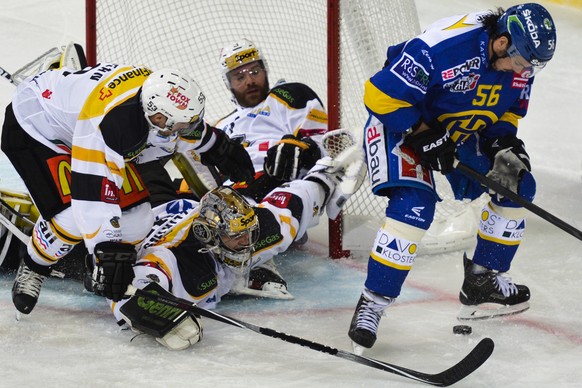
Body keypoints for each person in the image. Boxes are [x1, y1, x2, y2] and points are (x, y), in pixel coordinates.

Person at [348, 3, 556, 352]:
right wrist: (423, 132)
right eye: (521, 62)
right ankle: (373, 302)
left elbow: (505, 111)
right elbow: (379, 95)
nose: (524, 71)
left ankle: (482, 278)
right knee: (414, 207)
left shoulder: (521, 64)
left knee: (517, 184)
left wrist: (505, 142)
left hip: (455, 124)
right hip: (402, 122)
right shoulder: (444, 48)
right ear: (502, 43)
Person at [1, 59, 253, 315]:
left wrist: (216, 144)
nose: (182, 132)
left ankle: (100, 266)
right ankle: (35, 263)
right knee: (73, 218)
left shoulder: (157, 102)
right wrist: (106, 252)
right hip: (36, 126)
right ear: (156, 117)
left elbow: (185, 128)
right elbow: (93, 194)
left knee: (138, 220)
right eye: (177, 127)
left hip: (76, 125)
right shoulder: (111, 124)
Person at [111, 143, 365, 350]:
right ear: (210, 236)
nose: (247, 243)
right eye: (237, 237)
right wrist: (164, 321)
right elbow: (125, 291)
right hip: (146, 214)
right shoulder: (170, 260)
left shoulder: (256, 230)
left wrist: (325, 177)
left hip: (183, 208)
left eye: (248, 232)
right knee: (134, 161)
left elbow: (293, 202)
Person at [211, 39, 329, 295]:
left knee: (287, 174)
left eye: (255, 71)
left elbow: (327, 143)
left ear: (266, 70)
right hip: (235, 194)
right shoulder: (221, 126)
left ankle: (248, 261)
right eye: (239, 76)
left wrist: (301, 148)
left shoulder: (288, 96)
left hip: (283, 181)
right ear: (228, 84)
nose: (249, 80)